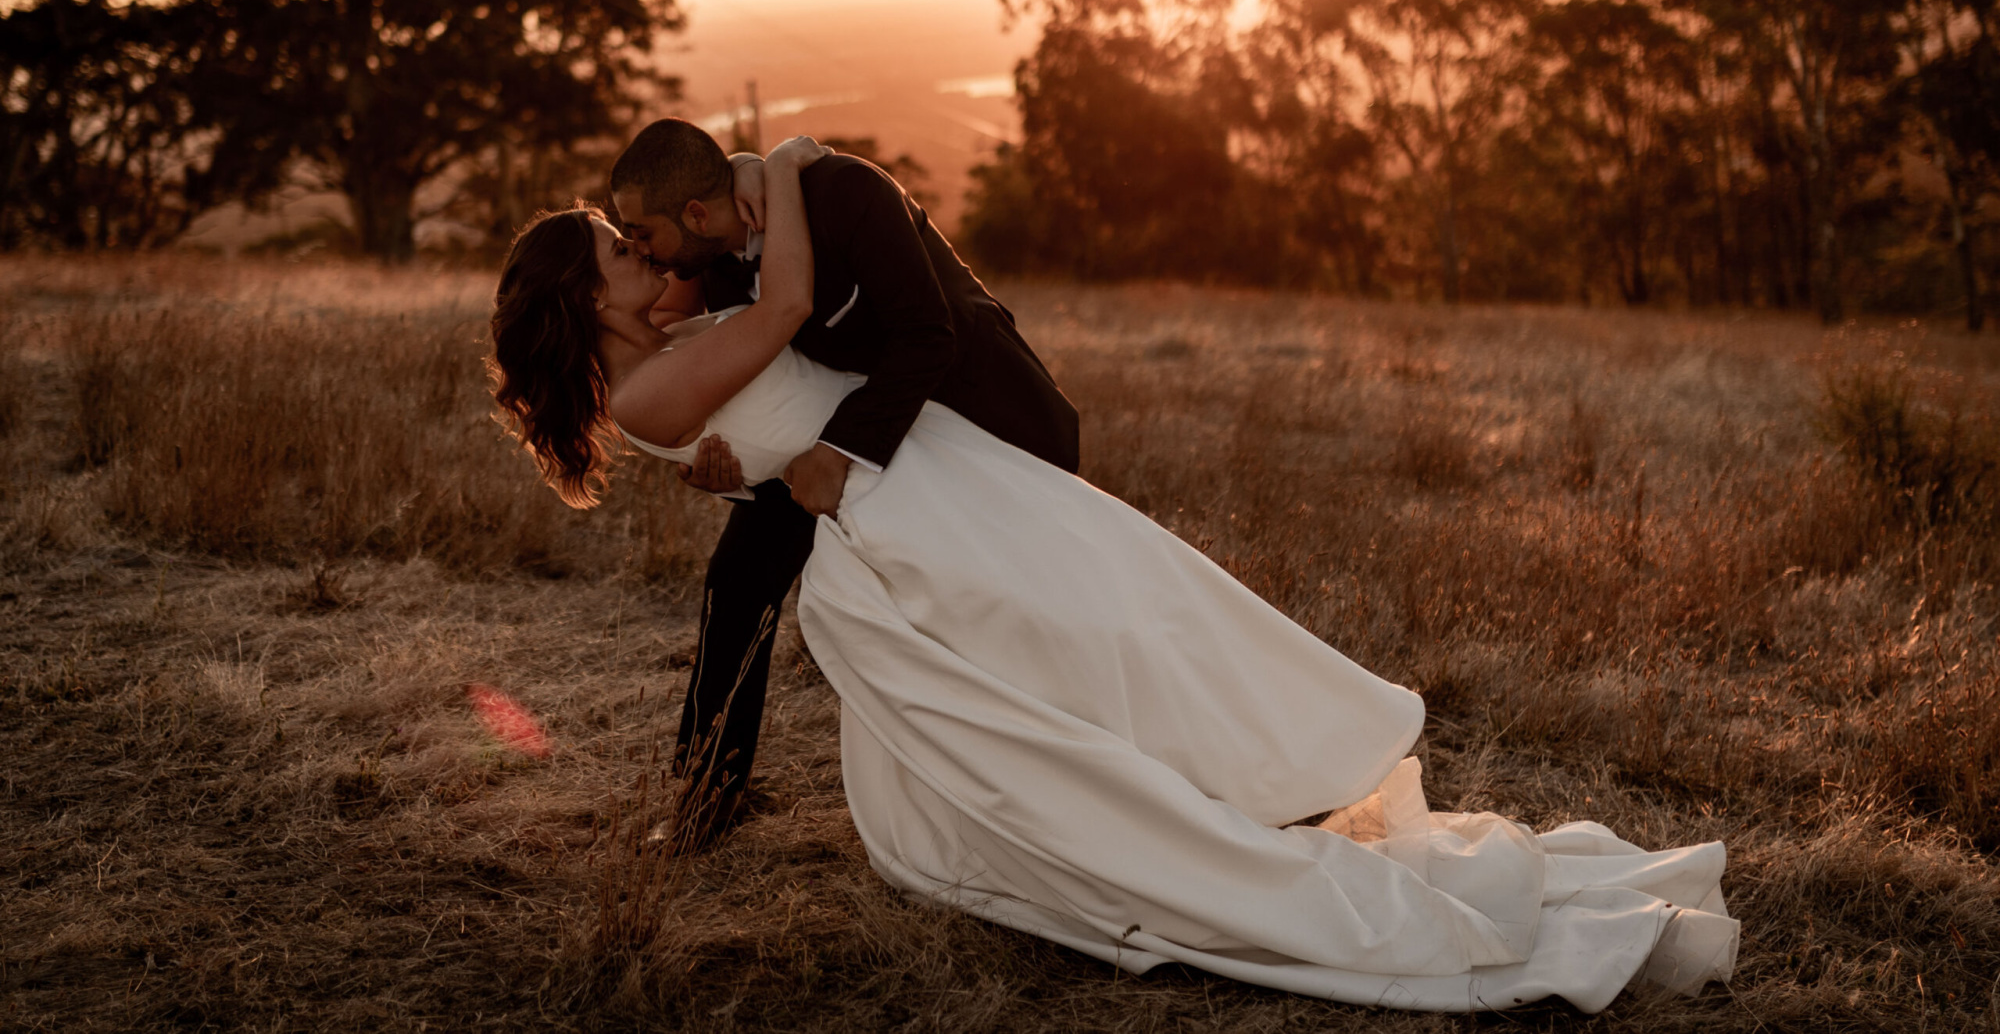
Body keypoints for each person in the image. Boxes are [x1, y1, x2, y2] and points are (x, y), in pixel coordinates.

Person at [488, 135, 1737, 1013]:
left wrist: (750, 450)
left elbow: (768, 358)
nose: (655, 269)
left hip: (927, 479)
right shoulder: (657, 376)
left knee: (1108, 637)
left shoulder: (661, 351)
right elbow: (785, 312)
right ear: (583, 300)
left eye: (642, 244)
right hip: (900, 515)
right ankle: (1186, 817)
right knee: (1069, 675)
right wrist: (798, 163)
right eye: (624, 259)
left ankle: (1213, 789)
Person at [602, 119, 1077, 844]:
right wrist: (725, 469)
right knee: (737, 583)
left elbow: (930, 335)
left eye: (641, 231)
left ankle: (1035, 790)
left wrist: (836, 449)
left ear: (695, 213)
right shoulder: (718, 263)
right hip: (832, 442)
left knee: (1001, 612)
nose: (637, 247)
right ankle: (708, 795)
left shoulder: (846, 193)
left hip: (979, 416)